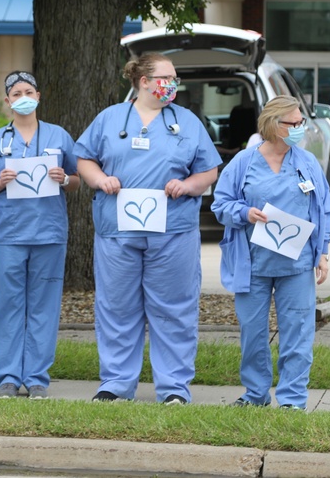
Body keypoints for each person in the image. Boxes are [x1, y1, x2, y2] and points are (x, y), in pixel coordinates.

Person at [75, 53, 221, 404]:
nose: (173, 83)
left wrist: (188, 186)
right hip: (118, 230)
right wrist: (99, 179)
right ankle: (115, 384)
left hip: (173, 231)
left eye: (174, 78)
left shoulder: (186, 121)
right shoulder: (110, 118)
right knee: (116, 306)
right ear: (143, 81)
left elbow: (208, 171)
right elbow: (84, 159)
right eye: (166, 77)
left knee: (174, 308)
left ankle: (173, 388)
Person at [212, 96, 330, 410]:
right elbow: (220, 204)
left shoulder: (306, 163)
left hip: (297, 264)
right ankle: (255, 395)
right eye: (292, 123)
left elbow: (324, 210)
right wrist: (244, 213)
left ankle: (292, 400)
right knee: (253, 333)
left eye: (300, 123)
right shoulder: (243, 162)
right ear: (272, 124)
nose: (298, 129)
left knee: (297, 332)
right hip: (252, 263)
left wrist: (323, 252)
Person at [0, 71, 79, 399]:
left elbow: (77, 179)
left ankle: (36, 378)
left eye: (28, 91)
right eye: (16, 93)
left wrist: (63, 179)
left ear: (39, 95)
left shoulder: (59, 136)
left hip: (49, 233)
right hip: (9, 235)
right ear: (8, 101)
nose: (23, 97)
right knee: (8, 304)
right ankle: (7, 376)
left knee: (44, 306)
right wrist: (0, 182)